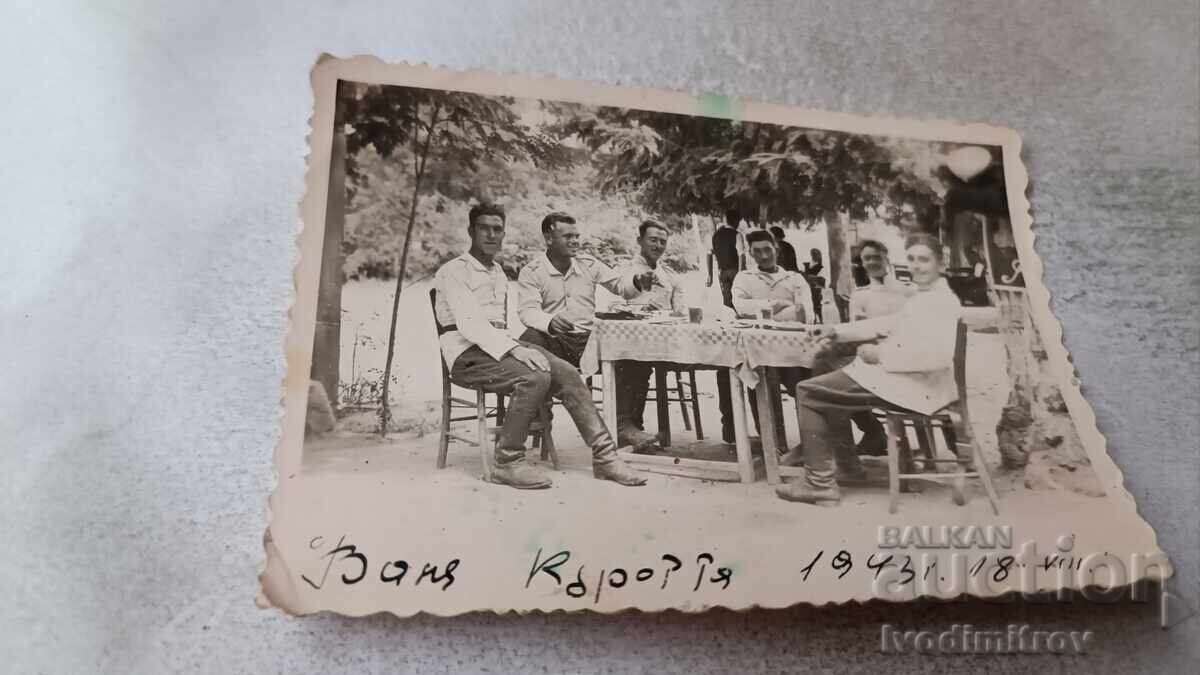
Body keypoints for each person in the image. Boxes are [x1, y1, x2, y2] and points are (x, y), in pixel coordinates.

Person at [434, 204, 646, 490]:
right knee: (534, 375)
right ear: (471, 231)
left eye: (498, 229)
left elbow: (497, 327)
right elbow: (471, 325)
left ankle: (605, 457)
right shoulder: (454, 271)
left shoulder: (496, 270)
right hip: (465, 354)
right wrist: (516, 350)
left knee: (567, 373)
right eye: (484, 228)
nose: (492, 235)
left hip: (497, 346)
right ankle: (507, 462)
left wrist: (513, 347)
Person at [776, 234, 962, 505]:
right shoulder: (928, 296)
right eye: (911, 259)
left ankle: (819, 483)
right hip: (909, 379)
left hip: (915, 386)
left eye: (924, 260)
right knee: (825, 370)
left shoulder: (940, 302)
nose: (916, 266)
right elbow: (888, 323)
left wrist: (880, 354)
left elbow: (938, 356)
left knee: (807, 391)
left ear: (940, 263)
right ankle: (847, 466)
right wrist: (835, 331)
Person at [517, 211, 642, 367]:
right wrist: (550, 322)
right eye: (568, 236)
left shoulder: (589, 265)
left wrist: (638, 282)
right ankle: (552, 386)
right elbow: (527, 311)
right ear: (549, 238)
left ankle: (626, 392)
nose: (575, 241)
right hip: (554, 340)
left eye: (576, 236)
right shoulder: (532, 272)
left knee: (632, 349)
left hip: (589, 341)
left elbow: (622, 288)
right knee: (528, 340)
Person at [730, 229, 816, 435]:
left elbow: (806, 315)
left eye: (768, 249)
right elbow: (740, 307)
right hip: (759, 350)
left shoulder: (794, 278)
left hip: (793, 349)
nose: (764, 256)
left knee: (807, 383)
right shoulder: (744, 278)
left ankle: (811, 442)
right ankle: (773, 441)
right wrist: (777, 304)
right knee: (758, 377)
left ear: (776, 248)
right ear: (750, 254)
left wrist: (761, 310)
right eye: (757, 251)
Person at [613, 220, 687, 451]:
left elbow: (681, 311)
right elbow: (614, 305)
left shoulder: (670, 276)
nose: (658, 245)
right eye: (653, 240)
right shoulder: (624, 271)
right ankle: (630, 426)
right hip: (631, 341)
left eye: (662, 242)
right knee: (634, 361)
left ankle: (631, 428)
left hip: (665, 340)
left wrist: (672, 313)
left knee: (641, 361)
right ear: (640, 241)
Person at [706, 209, 745, 442]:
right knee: (736, 306)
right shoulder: (737, 235)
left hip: (722, 272)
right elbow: (741, 256)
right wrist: (742, 273)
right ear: (737, 220)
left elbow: (709, 256)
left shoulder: (716, 235)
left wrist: (710, 275)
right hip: (733, 271)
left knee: (727, 303)